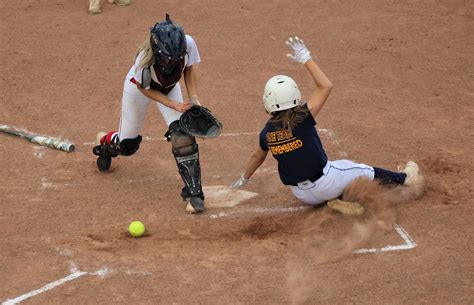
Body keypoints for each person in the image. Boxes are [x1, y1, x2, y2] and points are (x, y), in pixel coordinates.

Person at [231, 36, 421, 210]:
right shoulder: (302, 118)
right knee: (362, 170)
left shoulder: (266, 133)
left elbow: (257, 157)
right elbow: (326, 86)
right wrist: (306, 58)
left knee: (333, 177)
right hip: (326, 183)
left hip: (302, 195)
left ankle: (334, 199)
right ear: (295, 95)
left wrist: (244, 179)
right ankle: (405, 178)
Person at [93, 14, 207, 214]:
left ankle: (195, 194)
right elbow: (146, 89)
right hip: (139, 90)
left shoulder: (187, 43)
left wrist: (194, 99)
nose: (172, 61)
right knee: (127, 146)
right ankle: (106, 142)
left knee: (182, 136)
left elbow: (189, 70)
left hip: (169, 86)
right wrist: (173, 104)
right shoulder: (143, 60)